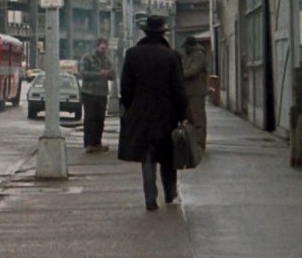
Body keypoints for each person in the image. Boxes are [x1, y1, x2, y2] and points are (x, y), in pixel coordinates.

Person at [118, 16, 188, 211]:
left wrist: (131, 107)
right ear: (163, 33)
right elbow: (179, 88)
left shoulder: (132, 54)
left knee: (147, 156)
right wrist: (183, 113)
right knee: (167, 155)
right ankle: (170, 192)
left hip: (141, 113)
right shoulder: (172, 56)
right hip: (167, 113)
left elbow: (126, 87)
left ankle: (150, 198)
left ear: (145, 33)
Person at [79, 37, 115, 152]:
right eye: (101, 48)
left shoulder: (106, 60)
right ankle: (89, 144)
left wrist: (108, 74)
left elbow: (113, 74)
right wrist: (98, 74)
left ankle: (97, 142)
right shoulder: (87, 58)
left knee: (100, 118)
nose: (103, 50)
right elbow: (83, 73)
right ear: (96, 47)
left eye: (105, 48)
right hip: (89, 93)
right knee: (90, 118)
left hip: (102, 93)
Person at [181, 36, 208, 151]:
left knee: (198, 119)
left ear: (190, 46)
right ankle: (192, 143)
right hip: (188, 92)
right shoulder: (187, 56)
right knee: (190, 119)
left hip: (196, 91)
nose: (185, 49)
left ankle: (200, 143)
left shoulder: (199, 55)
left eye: (186, 47)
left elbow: (193, 70)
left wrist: (179, 75)